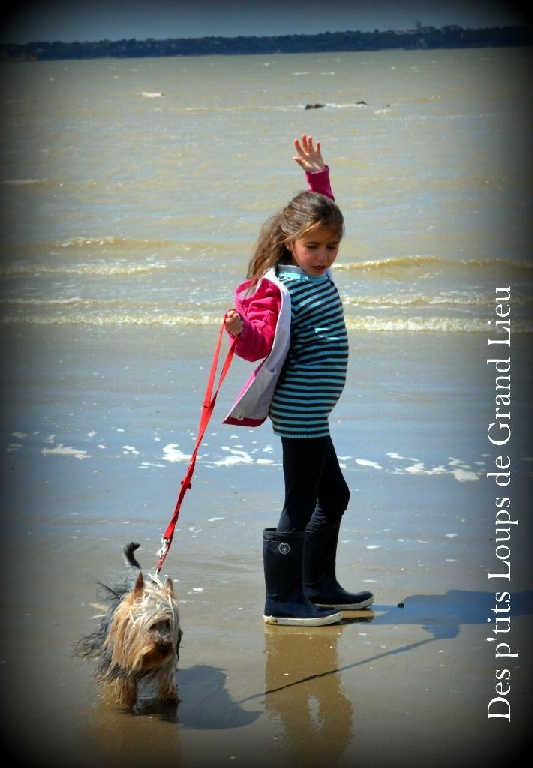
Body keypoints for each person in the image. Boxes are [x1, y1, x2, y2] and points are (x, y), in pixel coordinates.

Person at [223, 135, 374, 626]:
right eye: (313, 247)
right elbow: (259, 344)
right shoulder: (280, 284)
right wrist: (241, 331)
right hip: (299, 411)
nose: (324, 255)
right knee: (300, 502)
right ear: (290, 243)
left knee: (335, 498)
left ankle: (318, 587)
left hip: (316, 410)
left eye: (332, 247)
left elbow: (323, 213)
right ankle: (284, 601)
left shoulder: (319, 272)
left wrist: (318, 178)